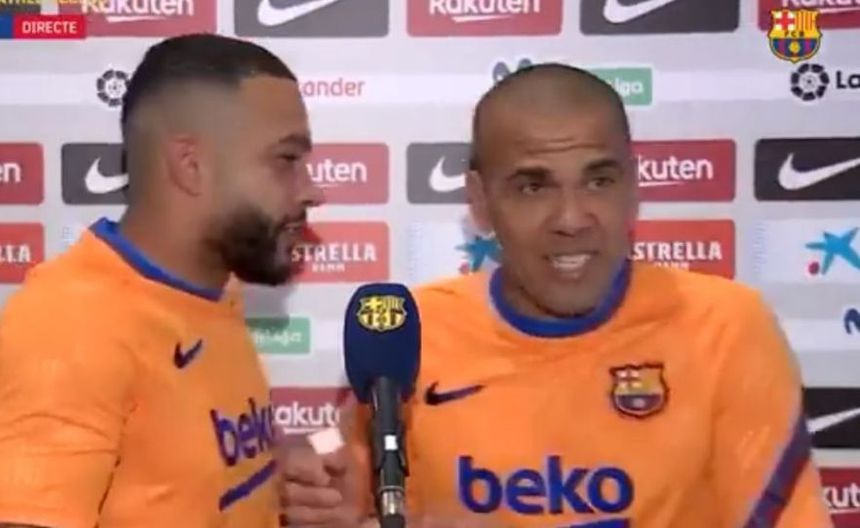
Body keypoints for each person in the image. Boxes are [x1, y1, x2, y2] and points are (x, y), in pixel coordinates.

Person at [280, 63, 834, 528]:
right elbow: (350, 476)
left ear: (634, 187)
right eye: (533, 186)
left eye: (598, 181)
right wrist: (329, 496)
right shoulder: (409, 329)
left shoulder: (725, 325)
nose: (571, 219)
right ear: (480, 201)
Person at [0, 34, 322, 527]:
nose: (313, 191)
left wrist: (277, 471)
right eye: (286, 160)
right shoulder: (71, 328)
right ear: (191, 166)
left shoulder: (213, 290)